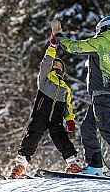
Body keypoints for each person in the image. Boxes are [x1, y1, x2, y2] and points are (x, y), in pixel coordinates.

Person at [52, 16, 110, 177]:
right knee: (87, 128)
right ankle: (94, 166)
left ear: (103, 29)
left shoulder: (101, 42)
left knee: (107, 129)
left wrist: (58, 36)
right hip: (108, 96)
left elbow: (74, 47)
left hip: (102, 94)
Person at [10, 35, 82, 178]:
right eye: (55, 64)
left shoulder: (65, 88)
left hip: (56, 118)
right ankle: (21, 164)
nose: (57, 66)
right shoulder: (45, 79)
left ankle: (73, 163)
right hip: (41, 114)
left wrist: (69, 119)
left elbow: (68, 105)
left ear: (63, 70)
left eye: (60, 66)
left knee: (61, 139)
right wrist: (52, 46)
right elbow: (46, 62)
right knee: (33, 136)